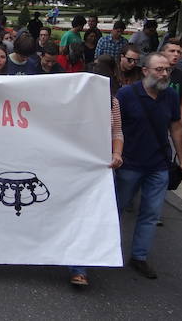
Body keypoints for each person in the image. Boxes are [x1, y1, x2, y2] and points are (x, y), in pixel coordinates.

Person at [115, 52, 182, 279]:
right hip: (129, 164)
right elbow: (112, 128)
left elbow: (176, 127)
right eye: (158, 69)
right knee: (116, 210)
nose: (164, 73)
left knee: (150, 214)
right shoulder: (126, 95)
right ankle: (106, 251)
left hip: (158, 165)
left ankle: (139, 257)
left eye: (167, 70)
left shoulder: (170, 95)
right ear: (145, 71)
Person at [69, 55, 125, 287]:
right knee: (71, 214)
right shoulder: (72, 102)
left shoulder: (113, 103)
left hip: (99, 168)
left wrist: (117, 154)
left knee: (87, 216)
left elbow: (117, 133)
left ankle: (79, 267)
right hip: (74, 167)